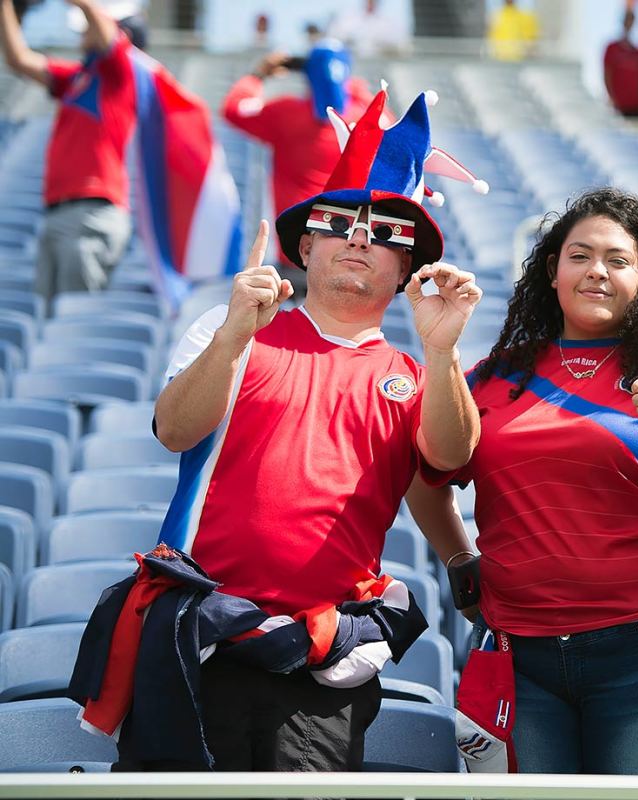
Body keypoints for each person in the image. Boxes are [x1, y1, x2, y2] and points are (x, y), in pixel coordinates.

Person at [144, 88, 483, 771]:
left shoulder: (416, 374)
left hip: (322, 657)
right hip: (198, 636)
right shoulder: (229, 326)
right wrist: (237, 333)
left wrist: (443, 352)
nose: (360, 236)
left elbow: (450, 456)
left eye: (387, 231)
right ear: (305, 243)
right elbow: (174, 430)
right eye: (340, 221)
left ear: (407, 268)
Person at [445, 188, 638, 774]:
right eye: (579, 256)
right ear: (552, 270)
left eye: (618, 260)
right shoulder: (493, 377)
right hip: (518, 658)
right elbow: (427, 471)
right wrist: (458, 557)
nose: (596, 271)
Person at [0, 0, 136, 300]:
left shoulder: (120, 75)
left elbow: (108, 37)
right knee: (51, 326)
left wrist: (85, 4)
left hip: (90, 211)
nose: (83, 31)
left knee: (74, 318)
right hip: (61, 212)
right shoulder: (76, 77)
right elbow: (19, 59)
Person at [222, 40, 379, 288]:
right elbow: (385, 117)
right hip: (349, 255)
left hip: (297, 255)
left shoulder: (286, 113)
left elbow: (234, 108)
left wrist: (258, 75)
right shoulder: (365, 118)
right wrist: (352, 85)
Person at [603, 8, 638, 117]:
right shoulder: (612, 48)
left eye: (632, 20)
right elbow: (607, 73)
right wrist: (611, 97)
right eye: (627, 20)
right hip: (619, 107)